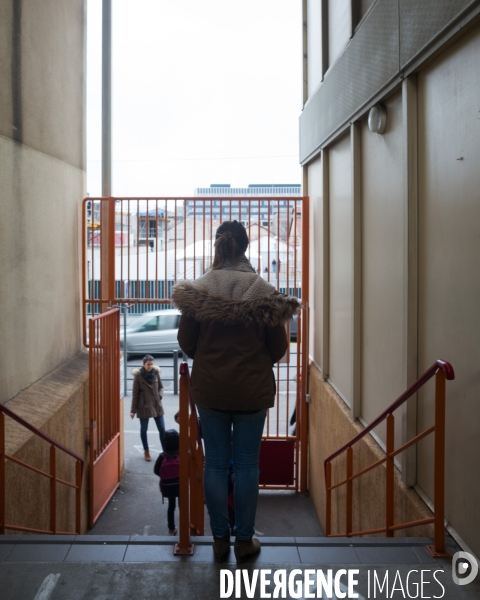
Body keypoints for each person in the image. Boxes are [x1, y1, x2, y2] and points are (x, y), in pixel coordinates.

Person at [171, 220, 299, 563]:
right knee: (246, 465)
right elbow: (278, 349)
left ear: (219, 247)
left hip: (211, 391)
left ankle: (218, 540)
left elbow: (187, 343)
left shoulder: (199, 289)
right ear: (245, 247)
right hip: (251, 393)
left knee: (215, 464)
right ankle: (244, 541)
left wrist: (212, 358)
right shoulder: (263, 289)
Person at [130, 354, 165, 461]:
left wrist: (159, 396)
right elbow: (135, 394)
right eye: (148, 364)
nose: (150, 366)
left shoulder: (156, 373)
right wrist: (132, 411)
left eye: (151, 364)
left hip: (156, 405)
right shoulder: (138, 376)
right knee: (144, 430)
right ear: (143, 364)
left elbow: (161, 387)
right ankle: (146, 451)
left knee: (162, 430)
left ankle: (166, 451)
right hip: (143, 406)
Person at [154, 429, 180, 535]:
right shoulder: (181, 455)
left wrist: (166, 476)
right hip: (180, 484)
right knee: (182, 506)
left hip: (168, 486)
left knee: (171, 507)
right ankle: (184, 526)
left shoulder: (162, 456)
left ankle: (171, 528)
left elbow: (156, 470)